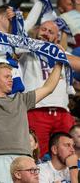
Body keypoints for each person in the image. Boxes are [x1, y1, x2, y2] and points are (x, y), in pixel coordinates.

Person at [0, 30, 63, 183]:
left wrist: (59, 63)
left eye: (11, 76)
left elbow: (48, 88)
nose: (11, 80)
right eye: (7, 77)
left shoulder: (21, 99)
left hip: (23, 157)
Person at [20, 20, 80, 157]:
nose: (46, 33)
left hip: (63, 112)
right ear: (37, 31)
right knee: (37, 154)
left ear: (56, 38)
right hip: (37, 110)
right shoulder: (26, 51)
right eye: (43, 29)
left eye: (50, 32)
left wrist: (60, 53)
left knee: (68, 155)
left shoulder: (61, 54)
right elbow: (16, 41)